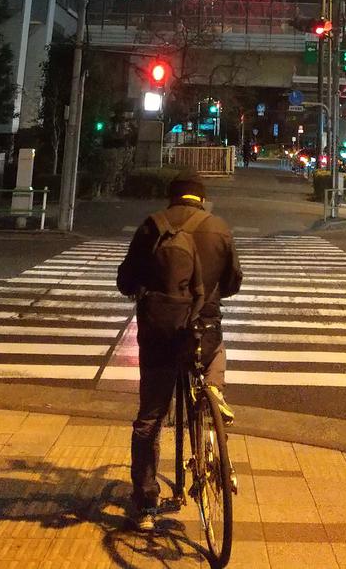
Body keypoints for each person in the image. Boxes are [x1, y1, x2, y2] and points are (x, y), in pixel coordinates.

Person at [117, 173, 243, 530]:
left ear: (171, 199)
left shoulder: (152, 226)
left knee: (150, 417)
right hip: (202, 327)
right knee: (215, 352)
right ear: (201, 200)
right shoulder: (218, 228)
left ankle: (144, 501)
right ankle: (212, 393)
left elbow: (125, 280)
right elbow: (233, 281)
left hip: (159, 331)